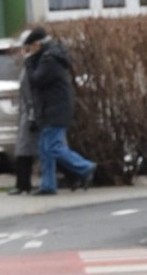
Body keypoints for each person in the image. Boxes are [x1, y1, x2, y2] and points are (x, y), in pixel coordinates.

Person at [23, 25, 96, 196]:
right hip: (51, 109)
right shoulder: (49, 56)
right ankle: (48, 185)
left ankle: (85, 167)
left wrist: (28, 61)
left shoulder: (50, 59)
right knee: (44, 148)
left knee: (53, 147)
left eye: (30, 47)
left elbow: (37, 80)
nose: (29, 51)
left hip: (55, 110)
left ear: (37, 44)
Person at [8, 44, 38, 194]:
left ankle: (23, 184)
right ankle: (22, 184)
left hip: (30, 113)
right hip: (26, 113)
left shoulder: (31, 64)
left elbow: (30, 92)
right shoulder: (29, 65)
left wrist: (32, 114)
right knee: (23, 150)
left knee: (25, 150)